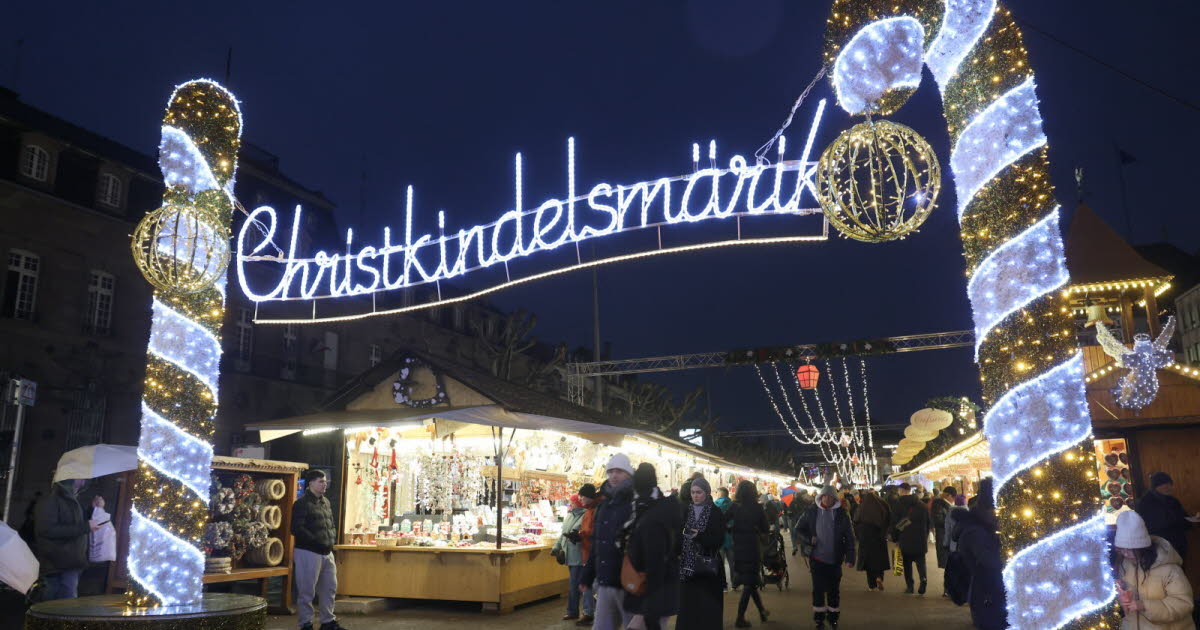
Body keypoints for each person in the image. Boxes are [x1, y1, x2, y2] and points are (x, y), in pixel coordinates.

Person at [580, 453, 636, 630]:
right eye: (611, 471)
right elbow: (598, 542)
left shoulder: (635, 502)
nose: (614, 475)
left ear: (628, 473)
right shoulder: (604, 504)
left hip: (628, 582)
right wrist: (587, 575)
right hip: (605, 581)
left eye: (619, 471)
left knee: (632, 625)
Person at [1112, 510, 1195, 630]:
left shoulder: (1170, 569)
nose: (1125, 554)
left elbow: (1184, 604)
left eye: (1130, 549)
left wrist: (1144, 605)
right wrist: (1119, 590)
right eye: (1122, 550)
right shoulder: (1126, 564)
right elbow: (1126, 599)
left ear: (1142, 547)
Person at [622, 463, 681, 630]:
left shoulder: (651, 517)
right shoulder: (649, 509)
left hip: (655, 590)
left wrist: (652, 606)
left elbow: (655, 561)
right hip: (655, 588)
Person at [292, 470, 345, 630]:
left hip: (327, 552)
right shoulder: (301, 504)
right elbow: (296, 528)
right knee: (307, 591)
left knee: (329, 588)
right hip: (308, 552)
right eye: (321, 481)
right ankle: (306, 624)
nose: (325, 484)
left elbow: (331, 524)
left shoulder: (326, 502)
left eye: (325, 481)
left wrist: (331, 540)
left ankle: (328, 622)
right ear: (311, 483)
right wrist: (317, 541)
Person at [796, 486, 856, 629]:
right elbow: (798, 529)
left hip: (835, 559)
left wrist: (850, 556)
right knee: (818, 589)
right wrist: (809, 538)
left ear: (835, 499)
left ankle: (833, 617)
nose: (827, 499)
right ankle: (819, 618)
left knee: (834, 590)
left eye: (831, 497)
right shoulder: (811, 511)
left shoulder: (842, 514)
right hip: (816, 559)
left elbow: (850, 537)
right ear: (820, 497)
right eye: (825, 496)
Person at [953, 478, 1007, 630]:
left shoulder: (981, 527)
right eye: (996, 510)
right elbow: (989, 561)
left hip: (986, 592)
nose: (999, 516)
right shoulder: (976, 531)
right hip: (985, 594)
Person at [676, 476, 727, 630]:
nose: (695, 495)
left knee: (708, 610)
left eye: (699, 492)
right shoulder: (686, 511)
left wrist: (699, 536)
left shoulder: (715, 512)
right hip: (688, 568)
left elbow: (718, 540)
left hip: (707, 569)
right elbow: (678, 535)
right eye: (692, 492)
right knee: (688, 609)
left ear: (706, 493)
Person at [35, 478, 91, 600]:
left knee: (63, 605)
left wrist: (93, 509)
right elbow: (47, 529)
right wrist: (85, 527)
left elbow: (75, 523)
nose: (85, 479)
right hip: (58, 562)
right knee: (60, 605)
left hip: (69, 561)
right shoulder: (52, 499)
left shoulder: (72, 499)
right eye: (80, 476)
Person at [1136, 472, 1199, 569]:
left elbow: (1183, 518)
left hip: (1178, 544)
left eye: (1170, 484)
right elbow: (1151, 524)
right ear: (1155, 486)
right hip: (1158, 546)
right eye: (1164, 484)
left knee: (1179, 572)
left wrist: (1194, 520)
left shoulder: (1173, 500)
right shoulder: (1145, 502)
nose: (1168, 487)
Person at [730, 480, 770, 628]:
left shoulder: (734, 507)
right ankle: (740, 618)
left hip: (738, 548)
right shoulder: (757, 508)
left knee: (750, 582)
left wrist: (733, 528)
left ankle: (762, 612)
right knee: (749, 584)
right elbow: (765, 528)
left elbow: (723, 521)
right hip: (752, 548)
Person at [556, 485, 598, 623]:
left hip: (582, 555)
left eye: (580, 497)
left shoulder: (589, 513)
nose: (573, 502)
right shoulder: (571, 516)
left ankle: (587, 613)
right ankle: (580, 611)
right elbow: (563, 535)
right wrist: (557, 549)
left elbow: (593, 532)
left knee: (581, 585)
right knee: (579, 585)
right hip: (573, 554)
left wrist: (579, 535)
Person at [893, 482, 931, 595]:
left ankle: (910, 587)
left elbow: (895, 523)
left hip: (905, 539)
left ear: (902, 491)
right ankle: (923, 579)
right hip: (920, 539)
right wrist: (925, 535)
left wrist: (895, 538)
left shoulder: (898, 504)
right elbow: (928, 523)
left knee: (907, 564)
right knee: (921, 562)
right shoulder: (922, 505)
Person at [853, 488, 891, 591]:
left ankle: (871, 585)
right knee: (879, 560)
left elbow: (856, 521)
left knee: (868, 562)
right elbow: (888, 518)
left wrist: (859, 534)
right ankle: (879, 577)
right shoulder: (882, 505)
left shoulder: (862, 507)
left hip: (866, 538)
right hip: (879, 537)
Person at [931, 486, 955, 594]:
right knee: (948, 564)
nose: (953, 499)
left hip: (950, 538)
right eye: (953, 497)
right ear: (948, 495)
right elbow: (938, 520)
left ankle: (949, 589)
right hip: (944, 538)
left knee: (951, 564)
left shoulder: (949, 505)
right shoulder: (939, 504)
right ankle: (948, 589)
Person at [715, 487, 735, 588]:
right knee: (732, 563)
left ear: (720, 494)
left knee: (720, 564)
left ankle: (723, 585)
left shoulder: (714, 505)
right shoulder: (733, 505)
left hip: (719, 540)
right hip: (731, 538)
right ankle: (735, 583)